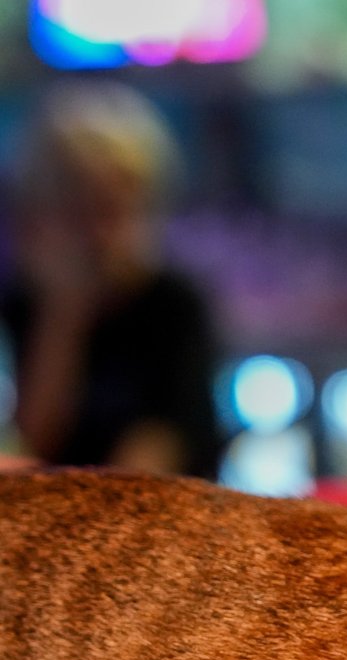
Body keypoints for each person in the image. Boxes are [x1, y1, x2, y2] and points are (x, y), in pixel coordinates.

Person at [1, 81, 221, 477]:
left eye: (115, 208)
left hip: (162, 506)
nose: (100, 233)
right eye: (78, 210)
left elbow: (163, 448)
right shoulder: (25, 303)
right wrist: (64, 315)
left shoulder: (174, 304)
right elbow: (31, 442)